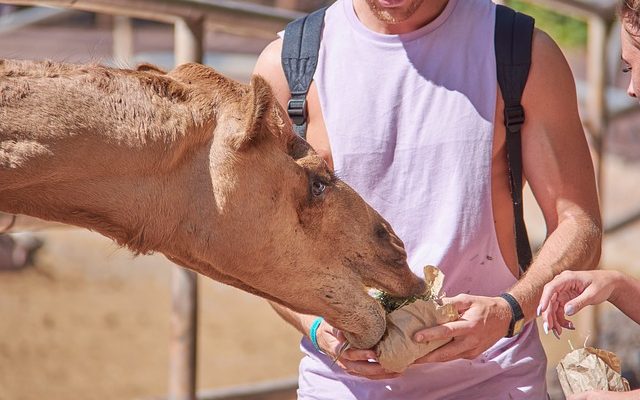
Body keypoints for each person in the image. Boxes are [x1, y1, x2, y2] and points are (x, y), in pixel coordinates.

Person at [253, 0, 601, 398]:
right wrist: (315, 325)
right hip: (342, 385)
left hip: (494, 378)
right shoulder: (288, 65)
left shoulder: (521, 51)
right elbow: (264, 251)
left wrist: (509, 309)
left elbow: (579, 224)